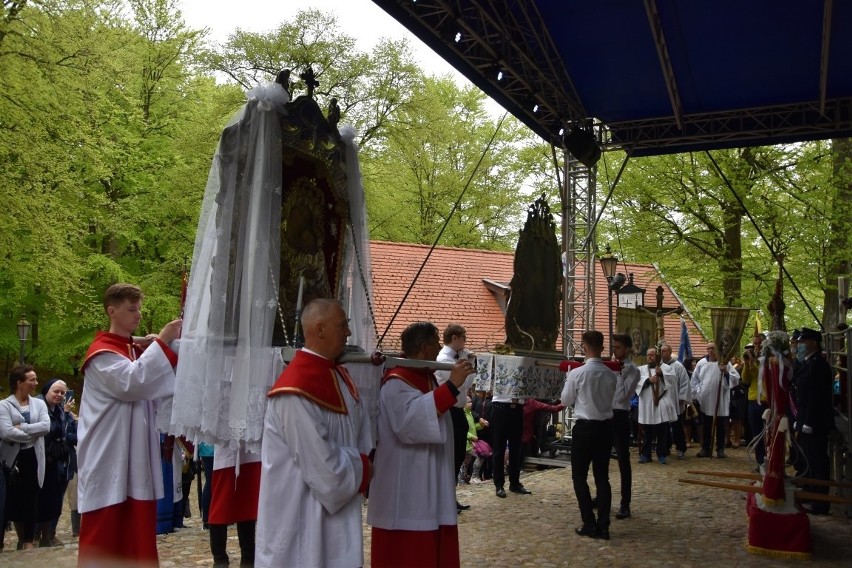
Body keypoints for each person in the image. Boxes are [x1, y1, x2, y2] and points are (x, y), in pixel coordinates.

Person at [255, 299, 373, 568]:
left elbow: (360, 436)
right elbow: (325, 472)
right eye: (343, 325)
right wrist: (364, 466)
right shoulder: (295, 390)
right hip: (298, 520)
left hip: (337, 519)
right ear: (320, 329)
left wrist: (362, 461)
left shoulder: (342, 378)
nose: (348, 333)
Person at [77, 283, 182, 566]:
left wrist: (155, 347)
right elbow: (134, 383)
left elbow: (151, 386)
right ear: (112, 311)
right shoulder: (101, 354)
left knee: (136, 532)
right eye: (131, 309)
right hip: (109, 452)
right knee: (107, 531)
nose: (138, 314)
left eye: (139, 308)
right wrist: (162, 340)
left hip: (133, 451)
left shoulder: (131, 349)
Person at [368, 321, 474, 568]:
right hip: (406, 485)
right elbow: (409, 422)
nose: (439, 347)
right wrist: (450, 385)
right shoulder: (397, 380)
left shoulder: (423, 375)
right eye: (436, 342)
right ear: (425, 347)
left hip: (428, 479)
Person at [561, 330, 617, 540]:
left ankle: (589, 522)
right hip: (605, 427)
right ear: (602, 347)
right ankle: (604, 526)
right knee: (602, 477)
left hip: (585, 427)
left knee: (579, 476)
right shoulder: (611, 375)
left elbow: (566, 400)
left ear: (584, 347)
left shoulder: (577, 373)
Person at [0, 365, 50, 550]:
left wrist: (23, 428)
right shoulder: (4, 405)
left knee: (31, 499)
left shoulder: (39, 404)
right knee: (7, 500)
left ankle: (28, 541)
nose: (36, 383)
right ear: (19, 383)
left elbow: (46, 426)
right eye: (32, 380)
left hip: (33, 457)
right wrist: (33, 433)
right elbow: (6, 432)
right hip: (11, 459)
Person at [793, 327, 835, 514]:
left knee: (818, 460)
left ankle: (820, 502)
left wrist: (808, 421)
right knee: (809, 458)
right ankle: (811, 491)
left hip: (816, 421)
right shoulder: (808, 363)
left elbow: (815, 397)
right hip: (806, 418)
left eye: (803, 342)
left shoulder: (818, 364)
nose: (800, 345)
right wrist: (800, 419)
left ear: (814, 344)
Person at [435, 324, 477, 512]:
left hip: (457, 411)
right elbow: (459, 383)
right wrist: (466, 363)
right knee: (452, 456)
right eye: (464, 337)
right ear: (454, 338)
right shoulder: (444, 358)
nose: (465, 341)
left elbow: (467, 384)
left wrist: (469, 363)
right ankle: (445, 499)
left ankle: (451, 497)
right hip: (449, 411)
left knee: (458, 455)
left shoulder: (457, 358)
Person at [209, 444, 260, 567]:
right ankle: (220, 560)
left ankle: (248, 559)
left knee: (248, 504)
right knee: (220, 506)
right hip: (226, 448)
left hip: (252, 449)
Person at [36, 378, 72, 547]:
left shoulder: (59, 410)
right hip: (40, 459)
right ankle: (32, 536)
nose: (59, 395)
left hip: (58, 461)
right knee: (38, 499)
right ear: (46, 391)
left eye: (62, 393)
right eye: (55, 391)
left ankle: (48, 535)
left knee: (54, 500)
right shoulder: (38, 406)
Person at [610, 333, 641, 519]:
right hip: (604, 413)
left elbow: (623, 395)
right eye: (614, 347)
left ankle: (625, 503)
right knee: (600, 457)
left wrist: (619, 373)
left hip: (620, 414)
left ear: (628, 349)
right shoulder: (609, 366)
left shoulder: (633, 370)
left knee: (623, 459)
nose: (615, 351)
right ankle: (601, 494)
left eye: (619, 347)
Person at [691, 344, 740, 458]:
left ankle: (720, 449)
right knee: (706, 425)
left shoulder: (725, 363)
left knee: (721, 426)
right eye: (708, 348)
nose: (710, 350)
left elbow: (736, 379)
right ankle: (705, 448)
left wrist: (726, 372)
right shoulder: (701, 363)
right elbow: (694, 380)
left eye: (713, 348)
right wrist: (699, 392)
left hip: (721, 399)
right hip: (706, 399)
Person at [636, 348, 678, 464]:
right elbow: (636, 383)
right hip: (647, 403)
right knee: (648, 432)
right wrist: (648, 380)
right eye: (648, 355)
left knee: (662, 432)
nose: (650, 357)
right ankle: (646, 455)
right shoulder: (641, 369)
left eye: (652, 355)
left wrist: (661, 374)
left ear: (657, 356)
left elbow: (673, 381)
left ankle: (662, 455)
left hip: (661, 401)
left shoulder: (666, 368)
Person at [740, 335, 767, 469]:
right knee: (756, 434)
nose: (756, 347)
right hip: (752, 400)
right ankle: (760, 461)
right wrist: (747, 364)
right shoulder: (754, 361)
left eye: (759, 344)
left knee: (768, 434)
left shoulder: (768, 359)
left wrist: (753, 364)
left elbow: (763, 375)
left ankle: (769, 460)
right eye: (755, 344)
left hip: (766, 401)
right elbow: (745, 380)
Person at [659, 343, 690, 458]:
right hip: (663, 400)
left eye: (665, 351)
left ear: (670, 352)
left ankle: (681, 448)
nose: (662, 353)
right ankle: (665, 447)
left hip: (675, 400)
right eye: (661, 351)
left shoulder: (678, 366)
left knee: (677, 426)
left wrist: (682, 397)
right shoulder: (660, 366)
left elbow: (684, 383)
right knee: (664, 426)